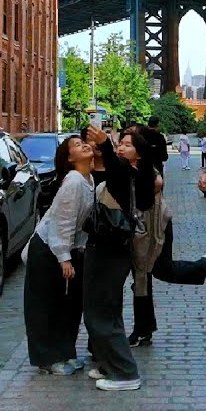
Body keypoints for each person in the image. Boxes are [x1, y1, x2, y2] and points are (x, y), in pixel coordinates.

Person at [81, 124, 155, 392]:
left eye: (128, 144)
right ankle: (107, 362)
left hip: (109, 249)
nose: (122, 146)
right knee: (105, 309)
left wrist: (107, 146)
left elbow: (114, 172)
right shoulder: (132, 173)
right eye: (120, 142)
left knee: (100, 311)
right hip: (107, 247)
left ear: (139, 155)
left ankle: (125, 372)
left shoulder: (131, 174)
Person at [128, 172, 206, 347]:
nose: (120, 146)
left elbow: (157, 181)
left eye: (126, 143)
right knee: (142, 278)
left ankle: (204, 266)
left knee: (158, 271)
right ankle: (143, 329)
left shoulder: (140, 165)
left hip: (154, 225)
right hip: (137, 227)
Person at [23, 136, 95, 376]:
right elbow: (62, 222)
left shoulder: (88, 179)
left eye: (84, 142)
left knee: (69, 305)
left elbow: (81, 224)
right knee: (46, 304)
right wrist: (64, 257)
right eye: (76, 145)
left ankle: (65, 353)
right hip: (47, 248)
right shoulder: (73, 181)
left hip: (68, 248)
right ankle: (47, 358)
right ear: (69, 158)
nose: (84, 145)